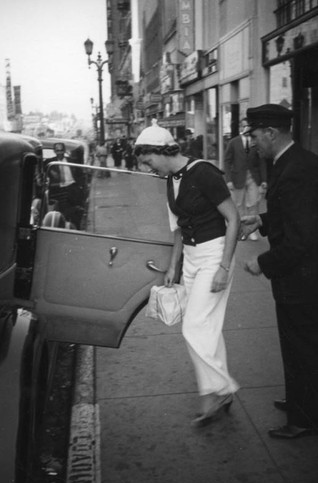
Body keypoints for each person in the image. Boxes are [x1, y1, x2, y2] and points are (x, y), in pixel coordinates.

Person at [134, 123, 240, 426]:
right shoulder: (170, 179)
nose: (147, 168)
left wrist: (223, 266)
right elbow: (179, 227)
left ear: (162, 151)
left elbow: (232, 219)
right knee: (206, 327)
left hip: (214, 254)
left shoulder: (204, 172)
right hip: (193, 259)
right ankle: (221, 392)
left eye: (148, 161)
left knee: (193, 326)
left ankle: (218, 392)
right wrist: (174, 268)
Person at [241, 104, 318, 439]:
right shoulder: (292, 162)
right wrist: (263, 220)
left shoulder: (295, 169)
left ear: (271, 133)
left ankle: (302, 419)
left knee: (301, 347)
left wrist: (263, 263)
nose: (253, 143)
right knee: (301, 346)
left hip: (301, 280)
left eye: (256, 136)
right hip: (302, 278)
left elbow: (302, 236)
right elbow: (293, 215)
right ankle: (301, 401)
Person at [224, 118, 268, 240]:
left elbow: (261, 162)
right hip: (237, 178)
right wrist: (228, 180)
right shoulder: (234, 142)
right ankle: (240, 228)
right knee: (238, 204)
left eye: (248, 126)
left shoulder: (255, 141)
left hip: (253, 178)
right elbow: (227, 162)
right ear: (240, 127)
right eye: (243, 126)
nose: (246, 128)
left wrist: (264, 180)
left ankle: (252, 229)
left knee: (253, 203)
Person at [45, 142, 86, 229]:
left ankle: (77, 229)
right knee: (62, 213)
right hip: (59, 190)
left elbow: (80, 174)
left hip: (72, 188)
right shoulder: (50, 162)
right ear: (54, 151)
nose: (59, 152)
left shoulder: (71, 161)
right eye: (57, 150)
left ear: (64, 151)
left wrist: (81, 187)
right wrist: (50, 172)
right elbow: (42, 170)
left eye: (61, 150)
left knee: (76, 212)